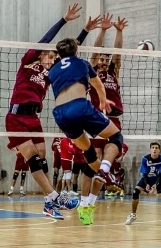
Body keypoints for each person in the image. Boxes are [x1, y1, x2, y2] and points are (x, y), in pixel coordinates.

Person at [5, 4, 100, 219]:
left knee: (42, 157)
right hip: (16, 117)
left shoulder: (52, 72)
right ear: (40, 55)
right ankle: (54, 196)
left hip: (33, 118)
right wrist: (64, 19)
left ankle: (49, 203)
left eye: (53, 57)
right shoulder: (28, 62)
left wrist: (85, 30)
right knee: (33, 158)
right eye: (48, 56)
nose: (51, 59)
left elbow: (70, 52)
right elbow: (46, 38)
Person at [49, 37, 125, 225]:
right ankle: (104, 171)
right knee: (116, 137)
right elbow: (98, 84)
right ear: (76, 52)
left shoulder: (53, 69)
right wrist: (103, 100)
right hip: (83, 109)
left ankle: (85, 205)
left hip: (60, 114)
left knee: (90, 157)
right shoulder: (83, 63)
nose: (103, 61)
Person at [75, 14, 128, 224]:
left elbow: (118, 54)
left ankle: (90, 204)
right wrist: (103, 30)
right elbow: (95, 52)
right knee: (93, 164)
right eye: (102, 59)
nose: (104, 61)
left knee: (104, 167)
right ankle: (83, 204)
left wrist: (119, 32)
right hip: (95, 120)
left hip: (113, 120)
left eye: (107, 59)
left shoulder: (114, 72)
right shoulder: (91, 73)